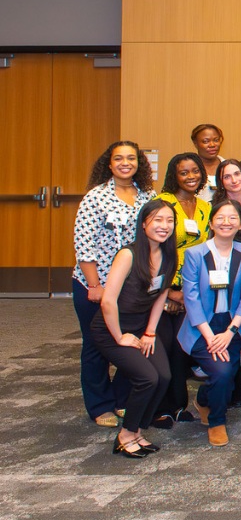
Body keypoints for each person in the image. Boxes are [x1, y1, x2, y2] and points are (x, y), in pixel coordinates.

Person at [74, 141, 157, 427]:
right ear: (109, 164)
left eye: (131, 158)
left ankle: (122, 398)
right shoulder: (95, 197)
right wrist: (95, 285)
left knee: (129, 340)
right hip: (96, 284)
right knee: (97, 343)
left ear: (139, 162)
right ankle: (100, 405)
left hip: (134, 285)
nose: (125, 163)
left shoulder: (148, 195)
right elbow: (84, 246)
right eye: (118, 158)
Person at [89, 199, 178, 458]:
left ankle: (138, 431)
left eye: (169, 221)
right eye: (157, 220)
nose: (164, 226)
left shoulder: (168, 254)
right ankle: (125, 436)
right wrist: (120, 336)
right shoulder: (128, 254)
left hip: (142, 327)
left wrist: (150, 332)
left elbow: (161, 295)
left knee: (163, 377)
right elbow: (108, 300)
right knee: (146, 378)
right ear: (143, 224)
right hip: (111, 329)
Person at [178, 200, 241, 446]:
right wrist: (211, 336)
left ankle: (203, 399)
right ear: (211, 223)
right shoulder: (195, 254)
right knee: (222, 373)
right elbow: (190, 298)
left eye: (232, 218)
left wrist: (230, 332)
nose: (226, 222)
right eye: (220, 217)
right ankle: (216, 421)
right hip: (201, 325)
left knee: (230, 375)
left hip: (233, 325)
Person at [155, 152, 213, 425]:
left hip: (192, 285)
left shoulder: (204, 207)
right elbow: (151, 249)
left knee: (181, 349)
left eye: (195, 171)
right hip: (163, 283)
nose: (191, 177)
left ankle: (178, 406)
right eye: (184, 172)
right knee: (162, 348)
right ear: (173, 176)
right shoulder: (163, 203)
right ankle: (159, 409)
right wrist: (168, 292)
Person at [214, 158, 241, 247]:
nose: (234, 180)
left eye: (237, 174)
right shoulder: (214, 206)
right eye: (227, 177)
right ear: (221, 182)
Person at [191, 124, 225, 203]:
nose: (212, 145)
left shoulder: (229, 167)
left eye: (216, 140)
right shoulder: (189, 169)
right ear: (195, 143)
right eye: (206, 141)